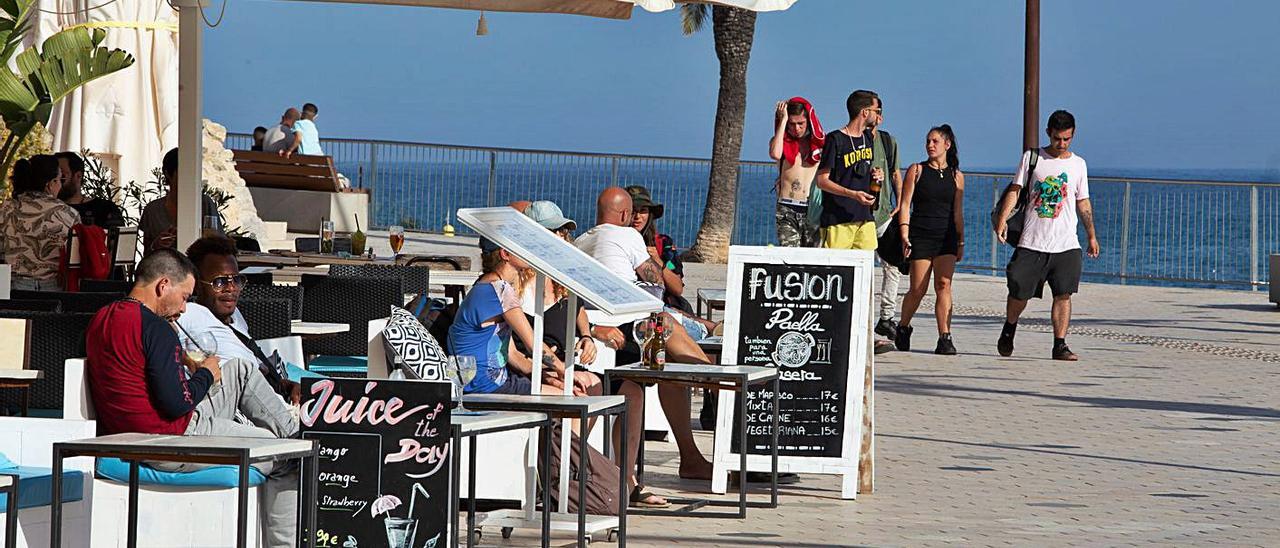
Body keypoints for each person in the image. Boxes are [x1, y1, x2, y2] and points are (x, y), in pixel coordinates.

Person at [84, 249, 300, 547]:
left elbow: (133, 367)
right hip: (169, 438)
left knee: (240, 369)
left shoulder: (102, 317)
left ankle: (297, 433)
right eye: (184, 297)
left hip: (131, 431)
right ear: (163, 286)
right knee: (288, 455)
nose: (184, 308)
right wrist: (207, 374)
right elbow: (177, 404)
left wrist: (183, 361)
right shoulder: (157, 328)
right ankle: (301, 453)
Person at [519, 200, 666, 507]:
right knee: (587, 386)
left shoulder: (561, 279)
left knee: (632, 390)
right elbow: (525, 343)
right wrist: (558, 368)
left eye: (562, 231)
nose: (561, 237)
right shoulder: (521, 283)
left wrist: (587, 335)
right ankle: (564, 476)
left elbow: (579, 311)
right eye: (555, 231)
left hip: (563, 364)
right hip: (536, 366)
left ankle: (626, 479)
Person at [575, 187, 718, 481]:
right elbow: (657, 286)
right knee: (664, 324)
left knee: (668, 373)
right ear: (625, 214)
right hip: (627, 328)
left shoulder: (580, 241)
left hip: (594, 329)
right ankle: (716, 381)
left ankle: (687, 457)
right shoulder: (628, 236)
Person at [993, 110, 1100, 361]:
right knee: (1019, 291)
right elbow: (1016, 190)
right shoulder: (1033, 158)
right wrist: (1001, 220)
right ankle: (1009, 327)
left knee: (1064, 293)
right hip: (1032, 241)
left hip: (1066, 243)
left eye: (1066, 139)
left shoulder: (1078, 165)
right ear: (1048, 133)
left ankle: (1059, 344)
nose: (1061, 144)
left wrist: (1091, 235)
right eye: (1057, 139)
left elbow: (1083, 202)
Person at [449, 238, 596, 398]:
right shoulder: (500, 290)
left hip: (488, 382)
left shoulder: (489, 284)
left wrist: (550, 379)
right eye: (522, 248)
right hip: (485, 385)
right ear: (505, 254)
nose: (529, 252)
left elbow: (513, 354)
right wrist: (564, 371)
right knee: (575, 400)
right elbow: (534, 345)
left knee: (572, 394)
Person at [177, 235, 302, 402]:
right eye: (219, 282)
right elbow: (153, 332)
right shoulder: (189, 314)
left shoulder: (235, 316)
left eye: (236, 280)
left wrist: (284, 385)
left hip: (273, 399)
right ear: (197, 285)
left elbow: (257, 370)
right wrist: (185, 359)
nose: (231, 288)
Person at [896, 125, 965, 355]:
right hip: (921, 234)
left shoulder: (957, 176)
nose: (930, 145)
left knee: (943, 284)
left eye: (935, 141)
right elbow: (905, 204)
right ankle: (903, 327)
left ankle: (945, 337)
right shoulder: (917, 170)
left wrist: (961, 241)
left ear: (947, 144)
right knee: (918, 288)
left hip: (946, 237)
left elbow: (957, 212)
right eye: (928, 141)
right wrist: (904, 233)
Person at [625, 185, 717, 339]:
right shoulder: (616, 243)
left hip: (666, 303)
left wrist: (658, 262)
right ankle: (710, 326)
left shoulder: (662, 243)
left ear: (650, 215)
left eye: (643, 211)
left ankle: (709, 327)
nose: (637, 217)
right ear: (624, 214)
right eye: (633, 210)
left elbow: (677, 289)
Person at [815, 90, 883, 251]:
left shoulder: (867, 138)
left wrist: (876, 174)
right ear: (865, 112)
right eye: (877, 111)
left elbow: (861, 169)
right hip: (838, 220)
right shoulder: (835, 139)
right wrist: (852, 194)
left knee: (865, 271)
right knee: (837, 272)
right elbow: (822, 181)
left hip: (865, 217)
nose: (879, 116)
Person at [0, 155, 80, 291]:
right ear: (50, 183)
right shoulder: (68, 214)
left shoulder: (7, 209)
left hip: (12, 288)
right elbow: (75, 259)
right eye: (60, 179)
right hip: (55, 289)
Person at [867, 96, 903, 353]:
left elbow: (895, 173)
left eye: (878, 112)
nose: (875, 116)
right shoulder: (853, 140)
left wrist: (901, 203)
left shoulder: (888, 142)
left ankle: (886, 317)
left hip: (885, 215)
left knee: (893, 267)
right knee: (865, 271)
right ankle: (866, 323)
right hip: (861, 217)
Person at [138, 148, 221, 251]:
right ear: (168, 173)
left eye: (192, 172)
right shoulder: (153, 210)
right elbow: (147, 254)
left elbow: (220, 244)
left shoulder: (204, 203)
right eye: (183, 172)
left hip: (197, 265)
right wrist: (157, 245)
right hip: (165, 265)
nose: (189, 177)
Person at [768, 97, 824, 247]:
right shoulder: (781, 143)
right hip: (787, 207)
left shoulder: (819, 146)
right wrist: (782, 120)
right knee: (790, 255)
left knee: (812, 260)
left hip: (812, 209)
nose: (797, 128)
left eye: (801, 124)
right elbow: (775, 154)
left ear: (809, 122)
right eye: (792, 124)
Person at [55, 151, 124, 228]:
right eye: (53, 177)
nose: (56, 181)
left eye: (62, 176)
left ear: (78, 176)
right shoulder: (49, 209)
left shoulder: (105, 208)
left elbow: (120, 238)